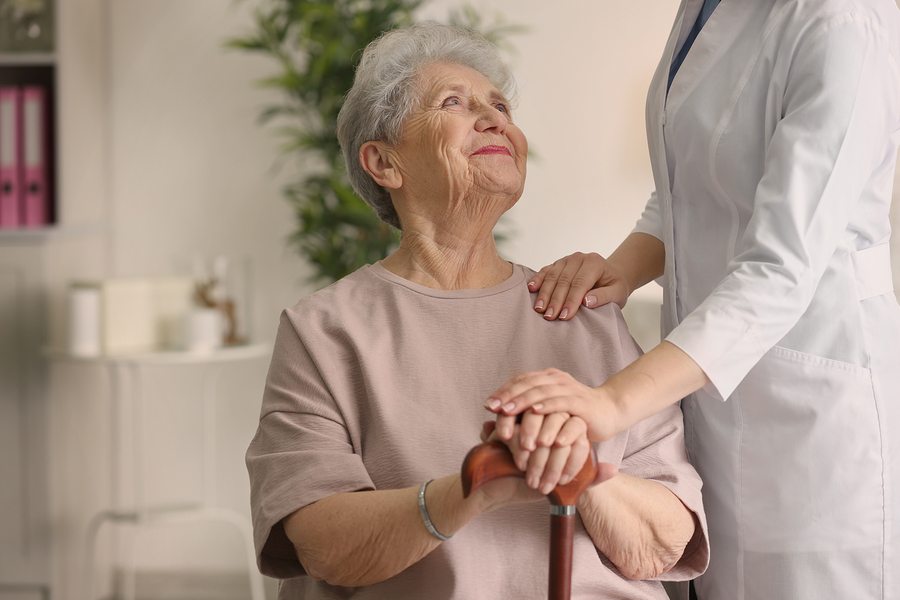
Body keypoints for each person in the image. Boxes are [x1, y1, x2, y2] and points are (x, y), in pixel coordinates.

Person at [246, 23, 709, 600]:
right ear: (385, 163)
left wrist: (580, 473)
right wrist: (473, 488)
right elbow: (320, 544)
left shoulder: (579, 310)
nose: (496, 120)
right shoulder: (325, 330)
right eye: (453, 104)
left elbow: (668, 539)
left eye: (500, 105)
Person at [485, 1, 900, 599]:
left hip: (813, 416)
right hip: (709, 391)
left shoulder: (841, 19)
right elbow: (690, 180)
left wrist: (610, 404)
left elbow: (780, 270)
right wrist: (621, 270)